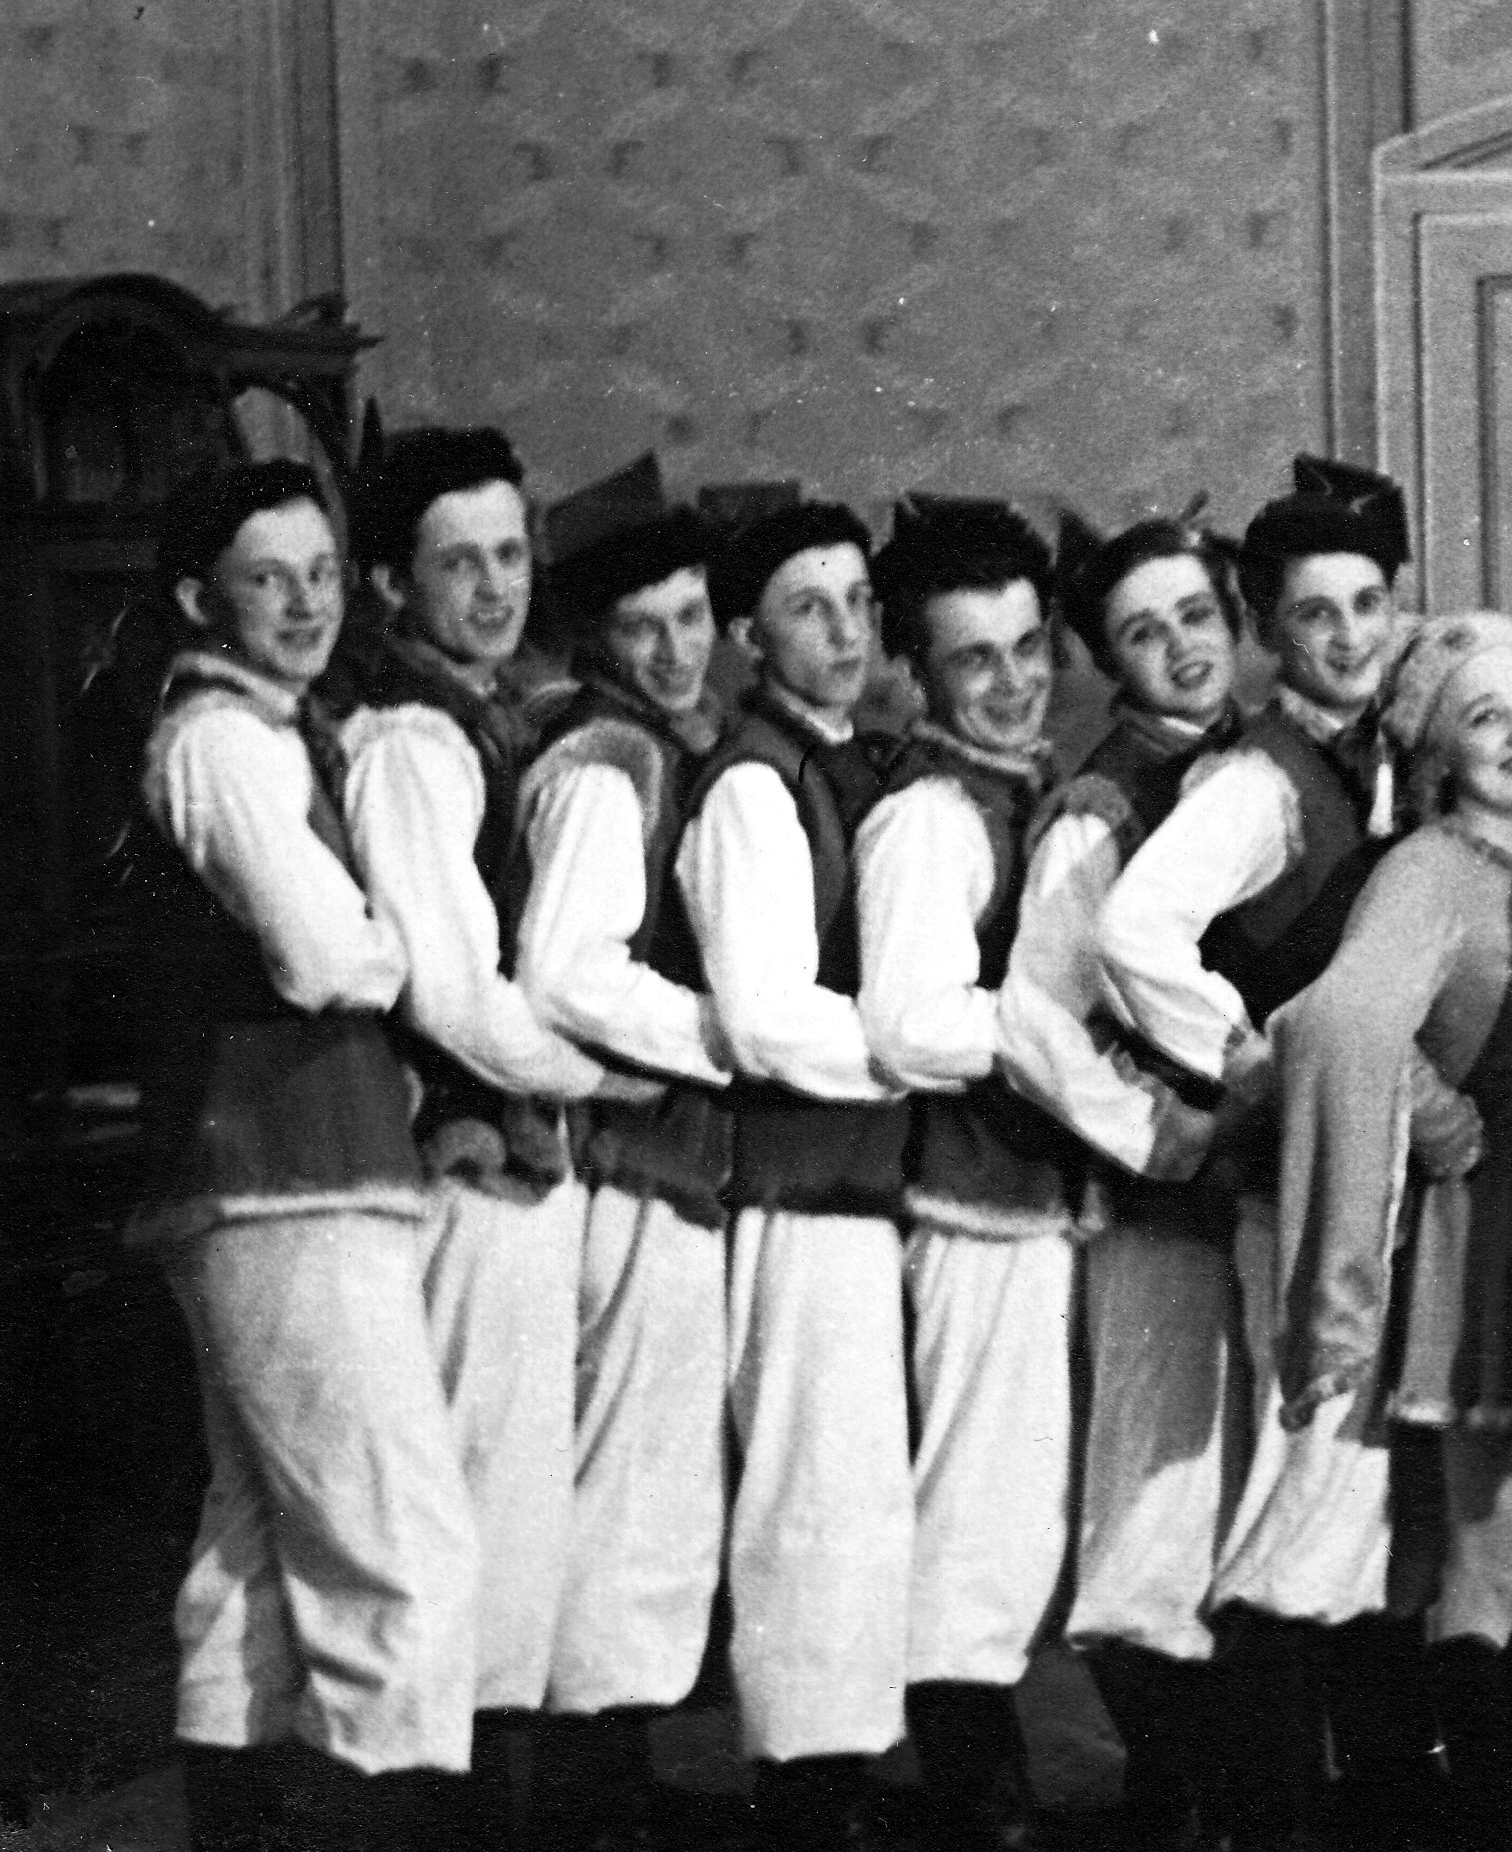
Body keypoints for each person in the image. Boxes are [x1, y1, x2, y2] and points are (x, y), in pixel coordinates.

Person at [1093, 455, 1440, 1852]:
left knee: (1358, 1504)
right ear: (1268, 630)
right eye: (1312, 614)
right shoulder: (1258, 782)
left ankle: (1358, 1809)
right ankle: (1273, 1817)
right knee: (1311, 1494)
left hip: (1387, 1181)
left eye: (1367, 605)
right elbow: (1133, 931)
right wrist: (1251, 1061)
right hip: (1296, 1191)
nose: (1348, 636)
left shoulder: (1397, 750)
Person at [130, 461, 475, 1848]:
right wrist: (417, 951)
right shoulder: (218, 740)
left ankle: (237, 1825)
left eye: (322, 573)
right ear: (197, 598)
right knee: (402, 1544)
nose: (306, 603)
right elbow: (325, 953)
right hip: (284, 1180)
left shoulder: (272, 732)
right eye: (268, 579)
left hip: (284, 1176)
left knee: (258, 1537)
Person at [341, 428, 633, 1840]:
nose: (496, 587)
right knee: (477, 1502)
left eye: (511, 554)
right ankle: (459, 1817)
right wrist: (606, 1071)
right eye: (459, 563)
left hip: (513, 1151)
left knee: (515, 1503)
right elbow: (449, 993)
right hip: (463, 1167)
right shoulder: (410, 739)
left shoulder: (484, 713)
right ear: (391, 584)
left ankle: (495, 1804)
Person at [1269, 611, 1512, 1850]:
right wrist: (1438, 1115)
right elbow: (1335, 1021)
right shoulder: (1429, 869)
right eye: (1484, 717)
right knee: (1491, 1561)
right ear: (1440, 752)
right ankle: (1505, 1827)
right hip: (1484, 1245)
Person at [854, 495, 1095, 1845]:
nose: (1011, 683)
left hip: (1034, 1202)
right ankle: (975, 1805)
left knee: (1016, 1512)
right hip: (969, 1203)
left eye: (1027, 648)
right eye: (973, 660)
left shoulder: (1024, 789)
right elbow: (908, 1021)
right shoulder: (932, 817)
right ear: (919, 671)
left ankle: (989, 1788)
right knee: (975, 1513)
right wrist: (1061, 1039)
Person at [675, 501, 916, 1847]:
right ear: (745, 636)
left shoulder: (842, 766)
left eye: (859, 602)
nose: (845, 630)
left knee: (859, 1495)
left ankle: (843, 1777)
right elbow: (765, 1014)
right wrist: (926, 1051)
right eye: (809, 607)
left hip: (860, 1182)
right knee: (811, 1499)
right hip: (797, 1184)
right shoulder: (753, 785)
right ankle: (806, 1796)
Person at [1007, 510, 1245, 1848]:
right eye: (1145, 634)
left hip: (1262, 1195)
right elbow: (1038, 1020)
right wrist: (1168, 1134)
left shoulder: (1265, 769)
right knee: (1157, 1497)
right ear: (1109, 662)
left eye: (1197, 617)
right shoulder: (1101, 809)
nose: (1182, 650)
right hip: (1161, 1208)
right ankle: (1176, 1789)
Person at [510, 474, 736, 1843]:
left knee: (634, 1483)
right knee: (631, 1486)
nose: (676, 649)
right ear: (596, 636)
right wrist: (726, 1037)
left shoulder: (644, 743)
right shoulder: (612, 760)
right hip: (631, 1168)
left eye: (693, 617)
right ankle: (597, 1800)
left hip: (642, 1163)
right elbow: (567, 973)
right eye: (644, 627)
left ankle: (610, 1779)